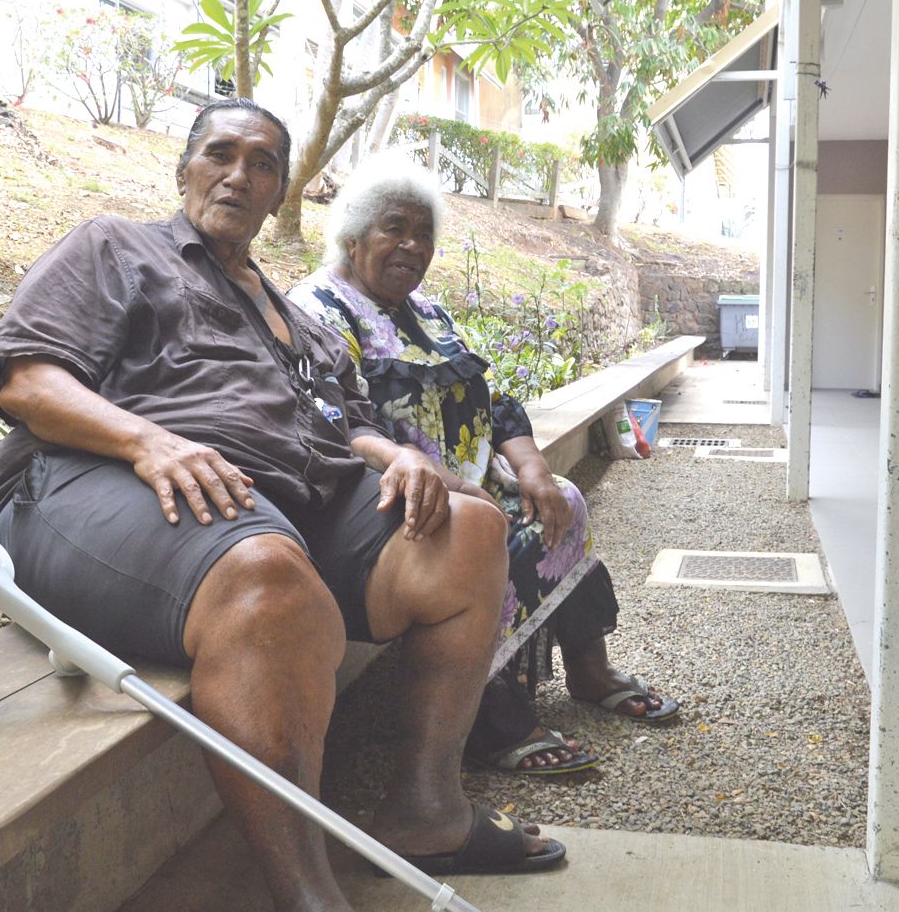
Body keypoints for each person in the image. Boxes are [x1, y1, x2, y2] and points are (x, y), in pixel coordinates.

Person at [0, 101, 565, 910]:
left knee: (467, 530)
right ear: (184, 168)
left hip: (279, 498)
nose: (238, 174)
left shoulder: (291, 316)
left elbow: (346, 423)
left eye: (262, 164)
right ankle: (306, 895)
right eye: (220, 153)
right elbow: (28, 380)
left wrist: (400, 456)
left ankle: (428, 811)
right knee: (266, 575)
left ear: (280, 191)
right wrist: (150, 441)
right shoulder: (114, 247)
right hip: (97, 482)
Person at [288, 156, 679, 777]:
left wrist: (534, 471)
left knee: (562, 504)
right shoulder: (318, 311)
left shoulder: (429, 314)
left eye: (425, 236)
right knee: (485, 537)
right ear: (354, 234)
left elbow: (493, 405)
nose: (412, 247)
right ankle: (486, 712)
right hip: (393, 501)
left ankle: (587, 667)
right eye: (395, 228)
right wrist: (455, 487)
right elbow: (335, 425)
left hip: (469, 485)